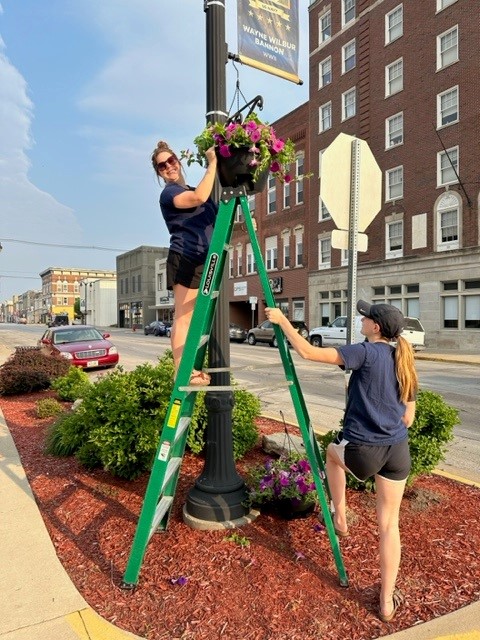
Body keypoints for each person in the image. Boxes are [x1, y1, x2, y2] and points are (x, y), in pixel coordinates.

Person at [265, 300, 418, 622]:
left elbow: (308, 352)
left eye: (366, 316)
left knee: (332, 457)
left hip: (363, 449)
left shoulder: (365, 351)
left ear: (376, 327)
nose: (361, 319)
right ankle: (387, 600)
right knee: (390, 525)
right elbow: (409, 418)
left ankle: (341, 516)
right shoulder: (404, 359)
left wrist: (282, 321)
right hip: (397, 451)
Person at [151, 141, 218, 384]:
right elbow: (199, 196)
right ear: (159, 172)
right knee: (184, 316)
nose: (169, 166)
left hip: (206, 260)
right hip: (185, 256)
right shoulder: (169, 193)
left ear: (178, 161)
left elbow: (217, 222)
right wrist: (213, 163)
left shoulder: (193, 188)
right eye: (162, 165)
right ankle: (181, 371)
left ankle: (191, 367)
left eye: (172, 160)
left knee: (197, 318)